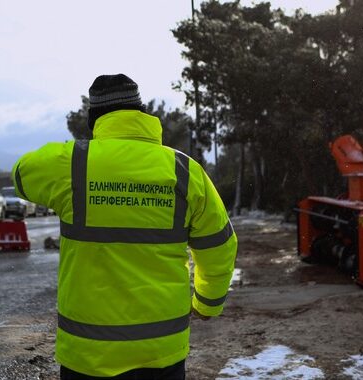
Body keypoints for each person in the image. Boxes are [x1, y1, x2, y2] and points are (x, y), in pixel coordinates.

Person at [12, 74, 237, 379]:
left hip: (88, 355)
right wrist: (208, 303)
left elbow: (21, 176)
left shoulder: (73, 164)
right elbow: (220, 245)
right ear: (142, 111)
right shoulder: (185, 170)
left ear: (94, 120)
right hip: (161, 351)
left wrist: (77, 153)